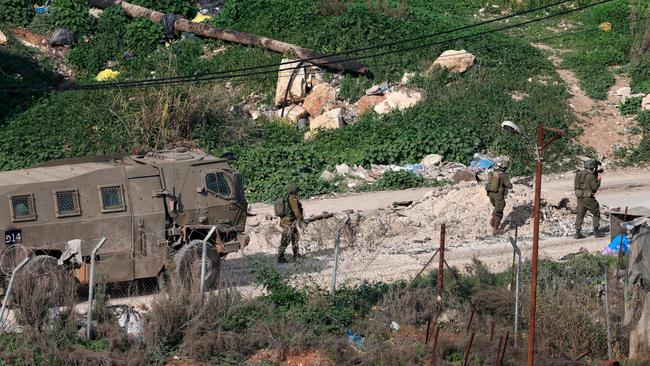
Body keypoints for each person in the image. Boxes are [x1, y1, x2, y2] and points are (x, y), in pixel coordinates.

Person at [574, 159, 605, 239]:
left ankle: (577, 232)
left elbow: (576, 186)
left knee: (580, 214)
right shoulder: (590, 176)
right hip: (588, 198)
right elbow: (594, 187)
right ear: (592, 167)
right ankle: (596, 230)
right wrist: (599, 178)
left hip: (580, 197)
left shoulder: (579, 174)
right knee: (596, 212)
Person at [278, 183, 305, 263]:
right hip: (288, 223)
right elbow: (296, 212)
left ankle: (296, 255)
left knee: (295, 238)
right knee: (285, 240)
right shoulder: (292, 199)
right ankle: (280, 257)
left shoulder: (286, 197)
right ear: (295, 191)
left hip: (288, 222)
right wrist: (301, 220)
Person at [485, 160, 513, 236]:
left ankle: (493, 219)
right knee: (499, 211)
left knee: (496, 208)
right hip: (498, 194)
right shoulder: (503, 175)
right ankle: (495, 229)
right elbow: (509, 186)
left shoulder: (492, 173)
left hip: (491, 194)